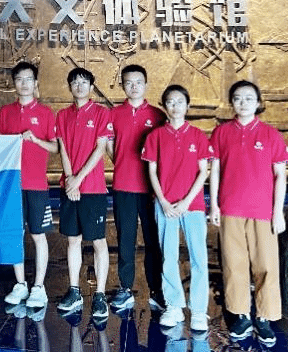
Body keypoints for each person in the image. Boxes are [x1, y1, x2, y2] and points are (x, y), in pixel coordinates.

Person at [209, 80, 288, 347]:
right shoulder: (221, 133)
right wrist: (214, 205)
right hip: (231, 208)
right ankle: (241, 315)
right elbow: (215, 171)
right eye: (237, 98)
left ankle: (264, 317)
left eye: (248, 98)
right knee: (234, 265)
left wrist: (278, 212)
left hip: (262, 211)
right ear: (232, 102)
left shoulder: (271, 135)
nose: (243, 103)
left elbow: (280, 175)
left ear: (258, 103)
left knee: (266, 265)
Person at [142, 85, 213, 331]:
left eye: (180, 101)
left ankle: (199, 311)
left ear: (187, 105)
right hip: (165, 205)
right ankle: (174, 306)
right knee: (168, 256)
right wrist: (162, 201)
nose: (175, 106)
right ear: (164, 106)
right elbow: (152, 171)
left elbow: (203, 171)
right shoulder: (155, 137)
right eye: (170, 102)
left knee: (198, 257)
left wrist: (186, 202)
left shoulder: (198, 136)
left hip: (192, 205)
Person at [55, 67, 113, 319]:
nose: (79, 85)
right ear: (70, 87)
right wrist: (70, 180)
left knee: (98, 240)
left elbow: (100, 149)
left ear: (91, 86)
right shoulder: (62, 115)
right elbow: (63, 149)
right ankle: (74, 290)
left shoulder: (101, 113)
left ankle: (100, 295)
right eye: (75, 82)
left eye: (84, 82)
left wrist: (78, 179)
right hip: (69, 187)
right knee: (73, 240)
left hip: (93, 188)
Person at [0, 61, 57, 310]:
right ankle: (21, 283)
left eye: (28, 79)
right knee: (15, 233)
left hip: (36, 185)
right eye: (19, 79)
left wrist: (35, 140)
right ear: (14, 83)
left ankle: (39, 287)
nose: (24, 84)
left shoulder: (45, 113)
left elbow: (55, 147)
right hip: (12, 184)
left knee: (38, 234)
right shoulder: (5, 112)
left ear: (35, 83)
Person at [107, 64, 165, 311]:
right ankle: (125, 288)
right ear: (122, 85)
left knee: (153, 240)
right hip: (123, 185)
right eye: (129, 82)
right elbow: (109, 145)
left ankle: (156, 290)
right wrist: (120, 162)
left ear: (146, 84)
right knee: (125, 240)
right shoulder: (113, 114)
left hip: (151, 189)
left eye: (138, 82)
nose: (134, 87)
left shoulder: (158, 115)